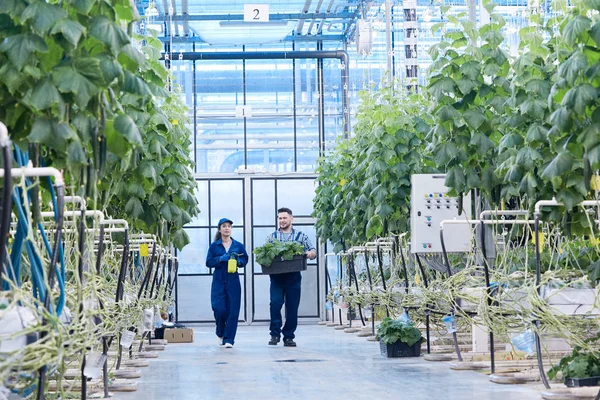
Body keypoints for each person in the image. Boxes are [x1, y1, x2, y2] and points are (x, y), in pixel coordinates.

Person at [265, 207, 317, 347]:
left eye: (284, 218)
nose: (282, 221)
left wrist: (310, 254)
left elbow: (312, 250)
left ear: (291, 219)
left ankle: (288, 336)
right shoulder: (272, 237)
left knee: (292, 307)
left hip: (293, 276)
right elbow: (265, 254)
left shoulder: (300, 236)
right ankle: (274, 334)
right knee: (275, 304)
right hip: (276, 277)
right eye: (280, 218)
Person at [206, 218, 248, 348]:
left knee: (233, 310)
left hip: (233, 280)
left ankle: (229, 339)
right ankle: (220, 331)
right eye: (224, 226)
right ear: (219, 229)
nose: (227, 228)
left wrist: (238, 261)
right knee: (219, 309)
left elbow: (245, 259)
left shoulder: (238, 245)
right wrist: (220, 259)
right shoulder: (214, 246)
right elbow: (208, 262)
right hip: (218, 280)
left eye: (229, 226)